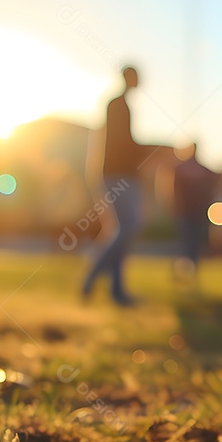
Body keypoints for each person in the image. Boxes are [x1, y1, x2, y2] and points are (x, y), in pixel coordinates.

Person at [82, 66, 147, 306]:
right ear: (127, 78)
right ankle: (91, 278)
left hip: (123, 174)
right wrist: (151, 152)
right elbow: (122, 142)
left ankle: (117, 290)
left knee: (124, 230)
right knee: (125, 229)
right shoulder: (117, 105)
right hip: (118, 175)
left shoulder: (122, 105)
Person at [172, 142, 217, 277]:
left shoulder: (204, 170)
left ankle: (192, 272)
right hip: (185, 212)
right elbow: (175, 191)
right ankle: (180, 272)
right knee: (185, 243)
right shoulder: (181, 169)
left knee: (195, 243)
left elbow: (212, 185)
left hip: (198, 212)